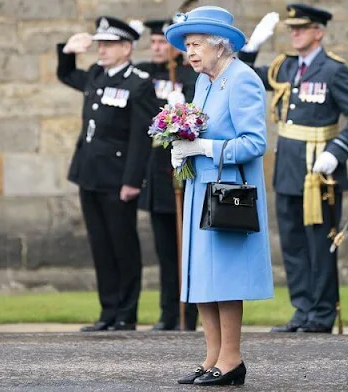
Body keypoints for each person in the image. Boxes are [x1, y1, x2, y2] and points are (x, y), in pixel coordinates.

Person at [239, 3, 348, 334]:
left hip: (319, 173)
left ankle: (322, 314)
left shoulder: (333, 70)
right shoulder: (285, 67)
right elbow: (245, 80)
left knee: (318, 244)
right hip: (288, 169)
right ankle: (302, 310)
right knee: (293, 245)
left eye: (301, 28)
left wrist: (336, 152)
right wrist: (250, 49)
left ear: (318, 32)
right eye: (292, 28)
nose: (294, 33)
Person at [164, 6, 274, 386]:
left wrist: (204, 149)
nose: (190, 52)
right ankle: (212, 356)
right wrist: (181, 145)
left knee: (225, 279)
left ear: (219, 46)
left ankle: (232, 359)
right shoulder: (205, 82)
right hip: (201, 189)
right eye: (188, 45)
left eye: (196, 45)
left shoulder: (242, 79)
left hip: (228, 193)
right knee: (201, 277)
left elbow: (255, 143)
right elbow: (198, 128)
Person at [56, 16, 160, 332]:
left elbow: (141, 138)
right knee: (100, 244)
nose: (101, 50)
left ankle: (126, 312)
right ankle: (108, 310)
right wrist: (67, 51)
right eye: (100, 44)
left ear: (127, 48)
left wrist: (132, 181)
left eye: (109, 45)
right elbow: (66, 74)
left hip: (118, 178)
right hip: (89, 173)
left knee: (122, 244)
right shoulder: (95, 75)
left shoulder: (138, 83)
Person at [137, 18, 199, 332]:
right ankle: (167, 312)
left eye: (163, 42)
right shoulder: (145, 74)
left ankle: (189, 313)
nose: (157, 48)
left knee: (184, 248)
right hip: (156, 170)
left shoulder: (188, 74)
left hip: (182, 170)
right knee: (164, 249)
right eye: (153, 42)